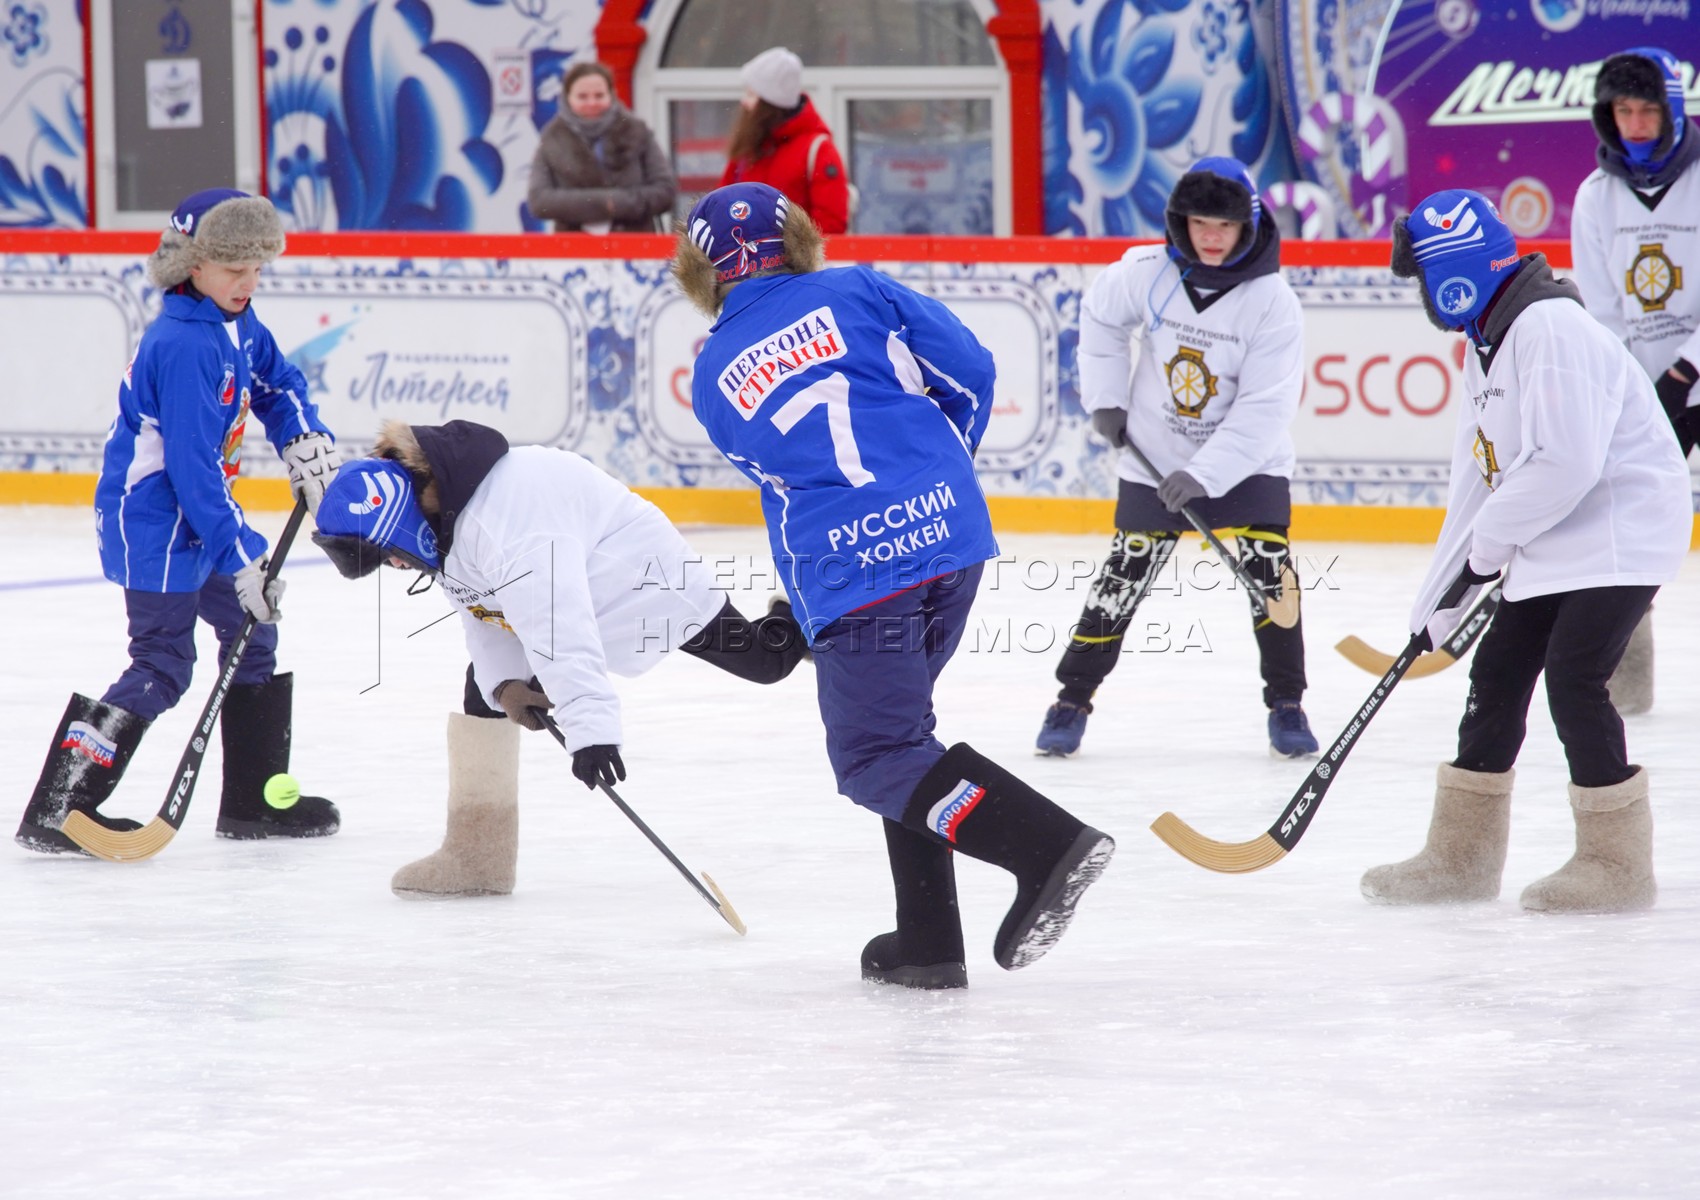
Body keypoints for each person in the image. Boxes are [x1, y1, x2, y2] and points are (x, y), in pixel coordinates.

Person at [672, 182, 1114, 989]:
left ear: (700, 272)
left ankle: (1046, 845)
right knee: (907, 741)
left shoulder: (711, 375)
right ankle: (928, 941)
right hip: (951, 536)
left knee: (878, 754)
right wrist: (940, 470)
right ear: (798, 238)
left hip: (854, 569)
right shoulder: (860, 288)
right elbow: (972, 371)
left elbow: (783, 479)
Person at [310, 419, 808, 898]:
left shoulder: (508, 522)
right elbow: (482, 612)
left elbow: (558, 623)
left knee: (765, 661)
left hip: (644, 582)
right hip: (568, 596)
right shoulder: (442, 518)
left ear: (400, 520)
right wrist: (505, 685)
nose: (396, 566)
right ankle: (476, 857)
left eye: (390, 555)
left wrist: (591, 731)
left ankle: (804, 609)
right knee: (479, 691)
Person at [1362, 189, 1690, 913]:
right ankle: (1460, 859)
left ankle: (1616, 864)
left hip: (1621, 530)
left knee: (1574, 678)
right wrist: (1436, 610)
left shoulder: (1547, 329)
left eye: (1422, 272)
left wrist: (1487, 553)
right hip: (1555, 530)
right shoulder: (1491, 342)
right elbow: (1477, 485)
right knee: (1499, 671)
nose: (1419, 290)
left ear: (1455, 272)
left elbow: (1565, 464)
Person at [16, 188, 344, 855]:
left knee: (252, 636)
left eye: (256, 268)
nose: (248, 283)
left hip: (201, 515)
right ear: (191, 265)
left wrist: (304, 439)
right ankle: (60, 804)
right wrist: (241, 557)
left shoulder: (236, 321)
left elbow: (278, 387)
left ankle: (253, 800)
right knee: (164, 664)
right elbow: (193, 474)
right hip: (156, 523)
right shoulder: (186, 345)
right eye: (233, 269)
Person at [1035, 157, 1317, 760]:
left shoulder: (1272, 302)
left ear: (1249, 225)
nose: (1211, 237)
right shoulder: (1147, 270)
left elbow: (1267, 405)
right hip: (1155, 457)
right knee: (1123, 575)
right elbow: (1102, 321)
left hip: (1248, 463)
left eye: (1225, 224)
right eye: (1198, 223)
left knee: (1270, 573)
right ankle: (1072, 698)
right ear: (1180, 221)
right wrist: (1106, 400)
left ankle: (1287, 703)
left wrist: (1206, 473)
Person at [1568, 45, 1699, 715]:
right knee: (1630, 534)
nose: (1638, 123)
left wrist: (1686, 369)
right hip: (1645, 395)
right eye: (1624, 109)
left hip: (1690, 379)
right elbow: (1603, 307)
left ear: (1672, 111)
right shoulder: (1595, 197)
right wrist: (1633, 386)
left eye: (1649, 109)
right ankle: (1626, 682)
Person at [527, 61, 676, 234]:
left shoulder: (638, 131)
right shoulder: (552, 138)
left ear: (611, 95)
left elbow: (664, 192)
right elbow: (539, 201)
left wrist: (614, 203)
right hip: (573, 251)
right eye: (582, 97)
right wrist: (606, 203)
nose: (592, 103)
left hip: (636, 248)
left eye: (599, 95)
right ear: (567, 98)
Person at [718, 47, 851, 234]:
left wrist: (781, 253)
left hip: (795, 263)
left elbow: (829, 227)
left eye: (751, 94)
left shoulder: (818, 150)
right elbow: (720, 208)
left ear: (769, 104)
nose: (744, 102)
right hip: (745, 260)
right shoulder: (748, 148)